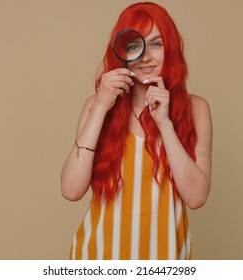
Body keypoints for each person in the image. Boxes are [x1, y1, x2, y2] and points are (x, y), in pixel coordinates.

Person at [61, 2, 212, 260]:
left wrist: (165, 124)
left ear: (171, 48)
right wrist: (99, 107)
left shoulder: (195, 109)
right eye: (134, 45)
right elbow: (71, 190)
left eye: (156, 43)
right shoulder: (96, 107)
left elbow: (197, 197)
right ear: (122, 52)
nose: (145, 56)